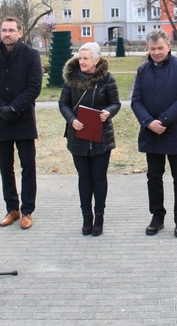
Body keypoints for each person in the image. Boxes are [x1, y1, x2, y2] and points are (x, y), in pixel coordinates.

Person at [131, 29, 177, 238]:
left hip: (176, 131)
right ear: (147, 49)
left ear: (169, 46)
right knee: (154, 177)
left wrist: (164, 120)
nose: (157, 52)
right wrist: (149, 122)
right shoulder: (143, 70)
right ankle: (157, 217)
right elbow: (136, 101)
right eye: (152, 49)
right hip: (152, 133)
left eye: (160, 48)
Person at [0, 17, 43, 230]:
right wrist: (1, 108)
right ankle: (12, 209)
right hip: (1, 120)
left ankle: (27, 211)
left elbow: (34, 87)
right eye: (4, 30)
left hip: (23, 118)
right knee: (5, 167)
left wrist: (14, 107)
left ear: (20, 32)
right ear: (0, 33)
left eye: (11, 30)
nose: (7, 34)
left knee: (28, 166)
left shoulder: (31, 56)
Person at [59, 42, 122, 236]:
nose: (82, 61)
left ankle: (99, 217)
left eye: (86, 58)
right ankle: (87, 218)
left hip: (101, 137)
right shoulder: (71, 79)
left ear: (96, 60)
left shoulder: (107, 79)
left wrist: (108, 112)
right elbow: (63, 104)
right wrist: (72, 120)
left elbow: (116, 103)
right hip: (78, 136)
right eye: (80, 58)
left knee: (99, 177)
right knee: (84, 178)